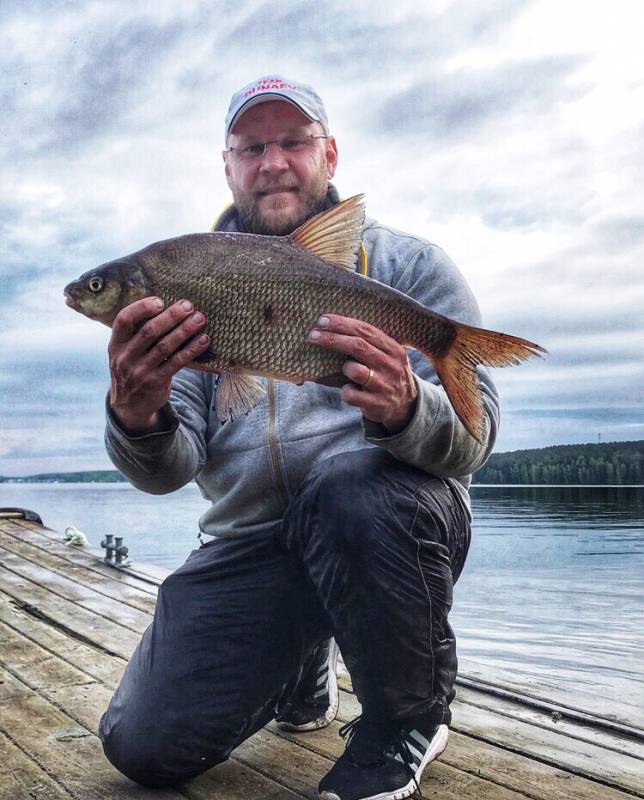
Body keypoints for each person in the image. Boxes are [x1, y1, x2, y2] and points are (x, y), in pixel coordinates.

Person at [98, 75, 499, 800]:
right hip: (254, 547)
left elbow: (476, 442)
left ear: (331, 153)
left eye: (293, 141)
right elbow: (169, 468)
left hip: (382, 531)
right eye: (252, 147)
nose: (273, 162)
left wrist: (408, 409)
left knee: (350, 489)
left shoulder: (412, 269)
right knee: (141, 745)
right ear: (228, 166)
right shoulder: (190, 279)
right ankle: (302, 663)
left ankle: (406, 720)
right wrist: (138, 414)